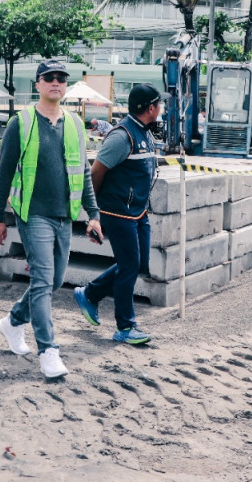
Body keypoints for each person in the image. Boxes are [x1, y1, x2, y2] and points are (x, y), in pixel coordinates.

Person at [0, 59, 103, 378]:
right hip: (32, 214)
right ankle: (48, 350)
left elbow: (82, 170)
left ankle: (12, 322)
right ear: (38, 84)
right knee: (42, 278)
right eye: (49, 78)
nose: (56, 82)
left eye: (61, 79)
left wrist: (93, 214)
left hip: (64, 215)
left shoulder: (75, 125)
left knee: (53, 280)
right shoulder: (21, 122)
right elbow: (5, 172)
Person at [74, 84, 161, 345]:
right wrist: (94, 215)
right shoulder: (122, 136)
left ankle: (90, 294)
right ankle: (125, 326)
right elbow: (96, 174)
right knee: (129, 266)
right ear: (150, 108)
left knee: (139, 263)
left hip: (137, 212)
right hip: (117, 212)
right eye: (159, 104)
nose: (161, 108)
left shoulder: (144, 131)